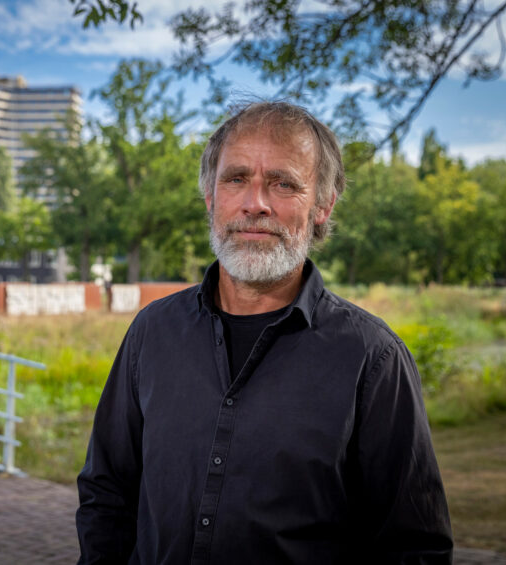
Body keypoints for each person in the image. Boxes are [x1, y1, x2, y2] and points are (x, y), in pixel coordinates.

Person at [76, 101, 453, 564]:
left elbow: (412, 546)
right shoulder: (152, 333)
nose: (255, 203)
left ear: (322, 205)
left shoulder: (372, 359)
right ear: (211, 197)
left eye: (283, 183)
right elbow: (107, 493)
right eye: (236, 179)